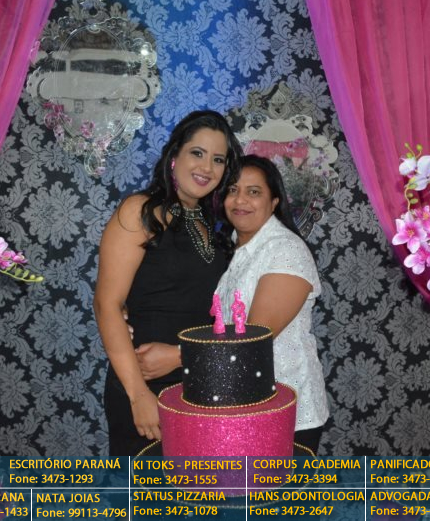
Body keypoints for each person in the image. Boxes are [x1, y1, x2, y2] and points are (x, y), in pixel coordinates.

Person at [93, 110, 242, 456]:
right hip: (147, 382)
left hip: (202, 383)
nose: (206, 167)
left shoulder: (215, 227)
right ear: (174, 155)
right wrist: (138, 395)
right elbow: (106, 304)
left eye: (218, 159)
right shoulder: (141, 211)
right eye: (197, 153)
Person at [214, 154, 329, 454]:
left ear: (274, 201)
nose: (240, 200)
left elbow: (253, 338)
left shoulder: (286, 250)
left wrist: (177, 356)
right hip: (240, 404)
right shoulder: (236, 251)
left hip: (285, 411)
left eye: (254, 192)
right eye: (232, 190)